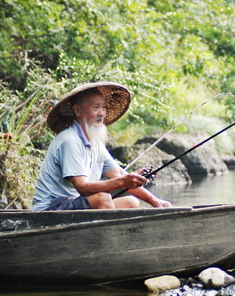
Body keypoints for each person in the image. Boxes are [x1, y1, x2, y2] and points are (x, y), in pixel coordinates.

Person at [32, 81, 171, 211]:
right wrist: (123, 182)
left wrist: (155, 201)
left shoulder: (95, 143)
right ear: (78, 111)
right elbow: (83, 187)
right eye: (96, 107)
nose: (102, 113)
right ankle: (110, 236)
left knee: (131, 202)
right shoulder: (69, 140)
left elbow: (118, 174)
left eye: (103, 107)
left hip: (74, 204)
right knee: (102, 198)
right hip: (50, 209)